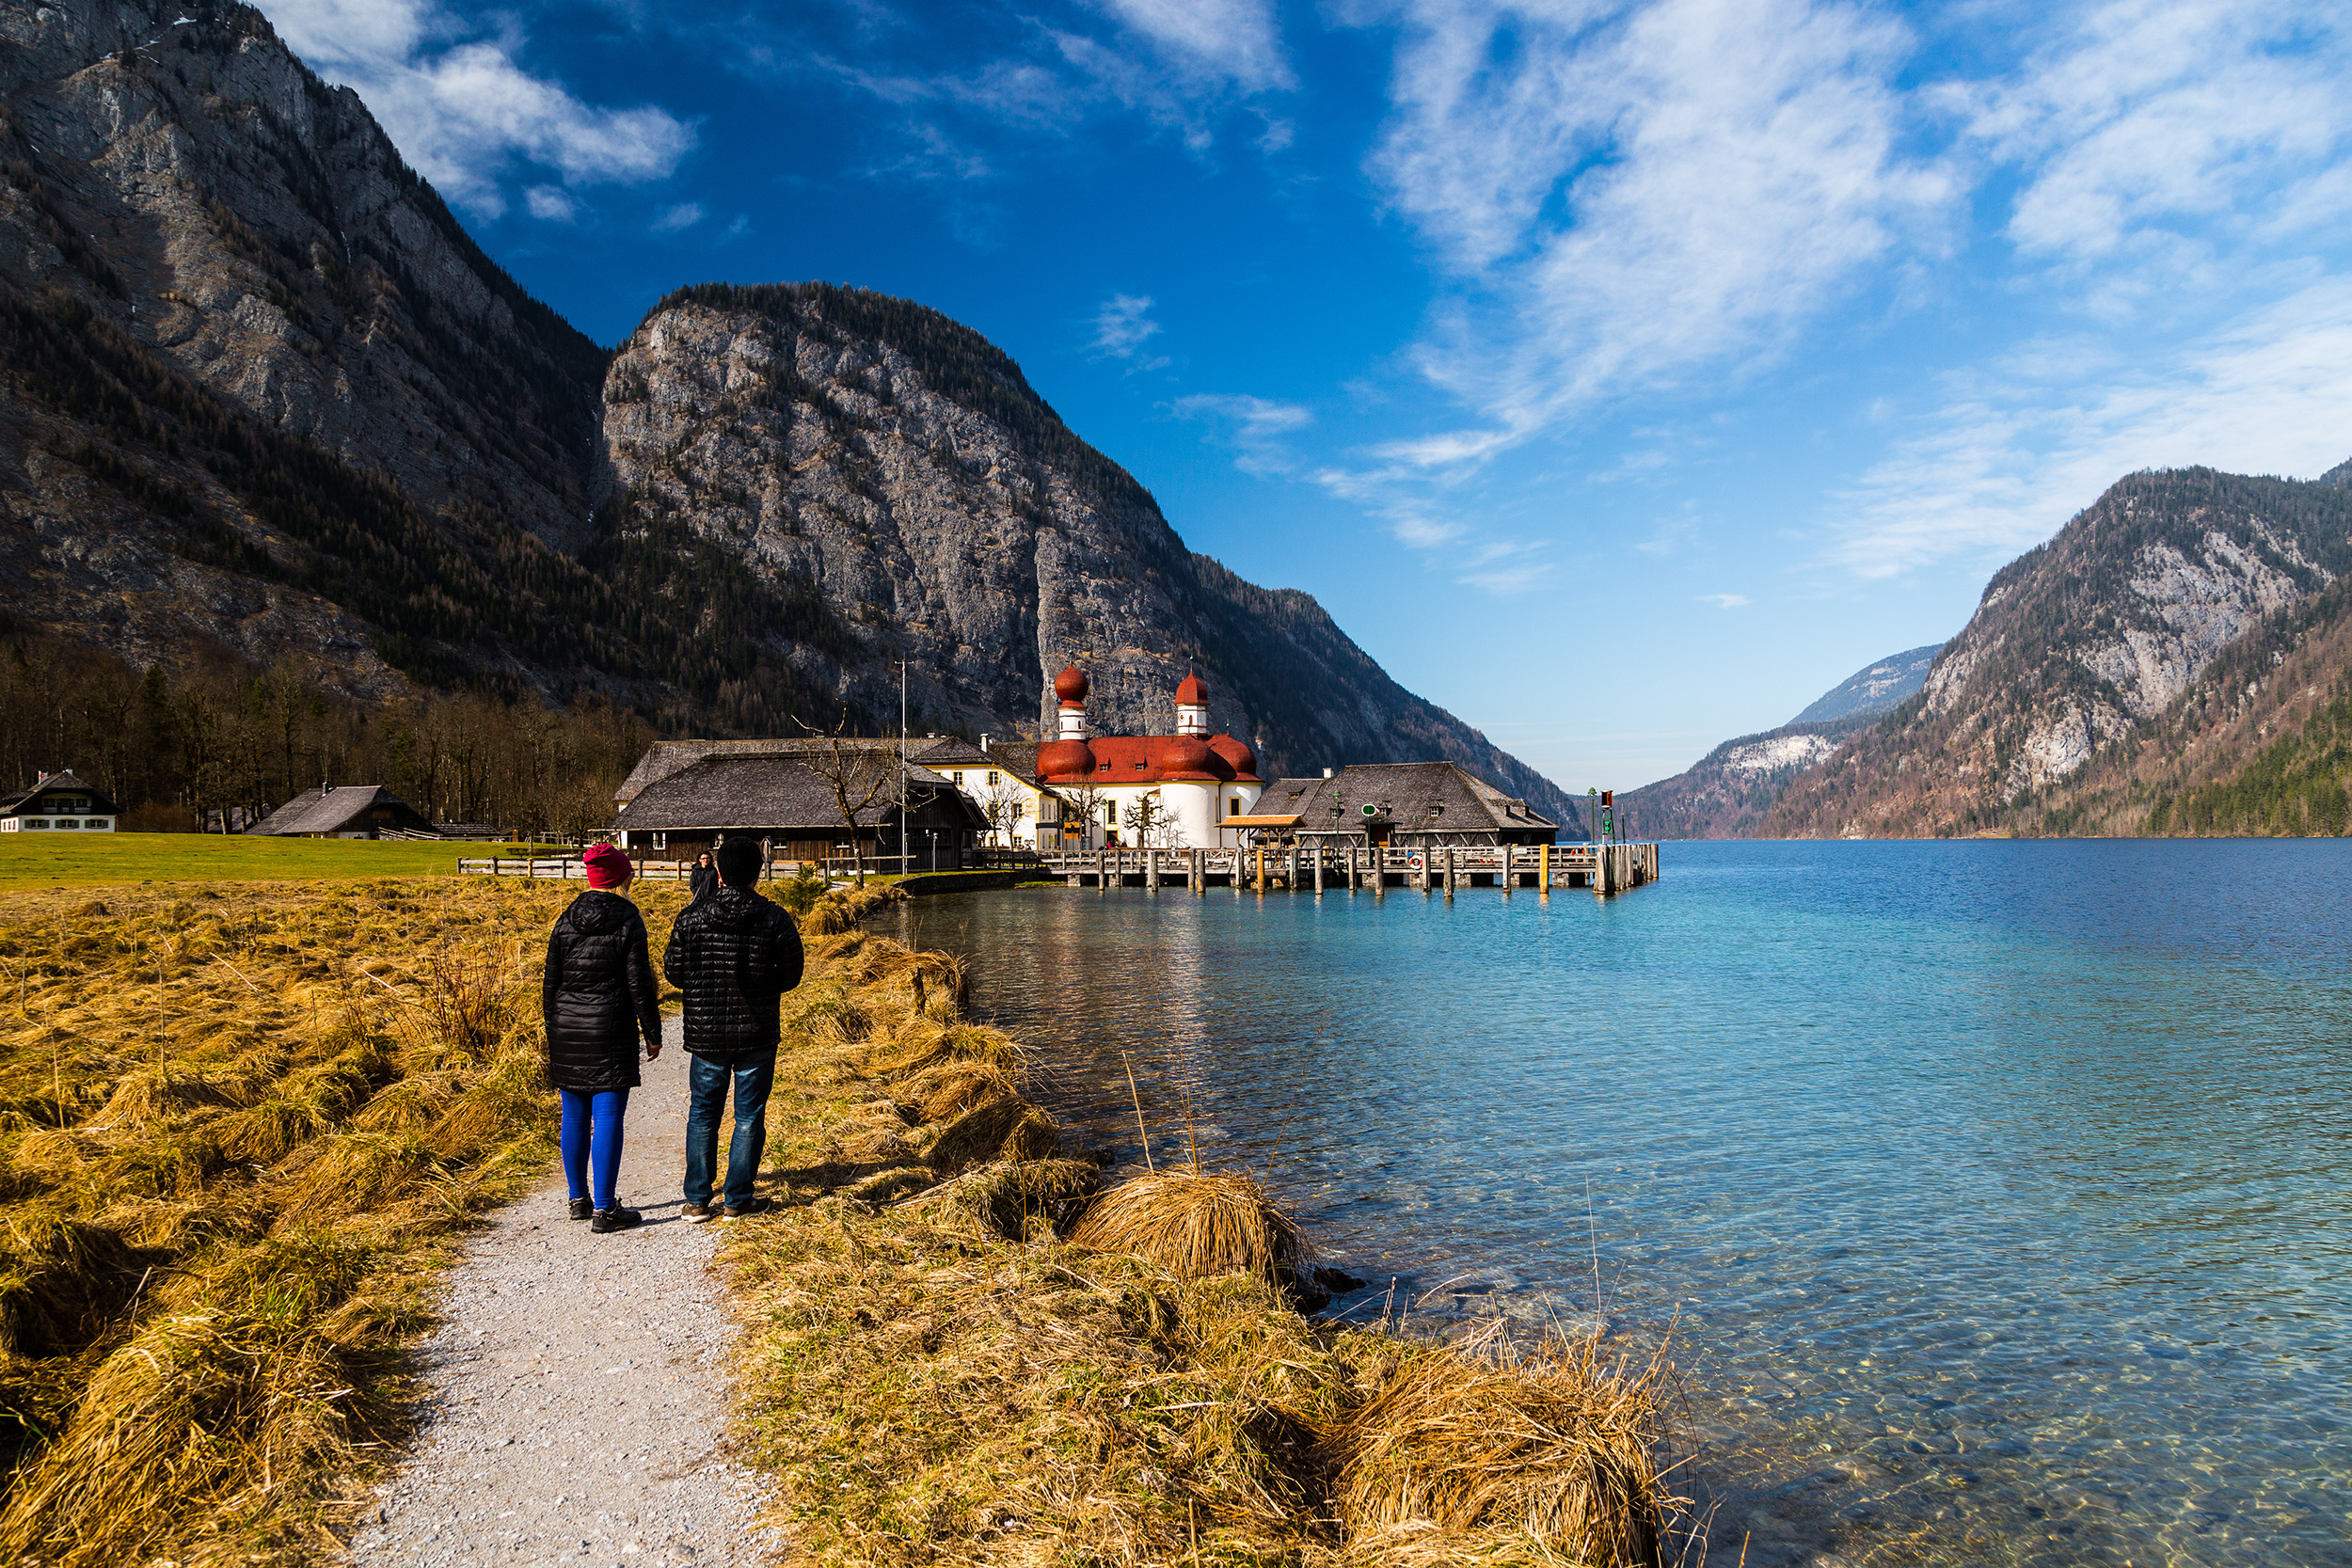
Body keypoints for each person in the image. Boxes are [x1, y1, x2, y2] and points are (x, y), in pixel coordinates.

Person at [663, 835, 803, 1221]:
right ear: (758, 873)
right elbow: (792, 974)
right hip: (756, 1030)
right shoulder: (774, 917)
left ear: (719, 871)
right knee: (748, 1115)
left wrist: (703, 983)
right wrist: (761, 985)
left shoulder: (691, 917)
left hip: (708, 1031)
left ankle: (696, 1199)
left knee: (703, 1113)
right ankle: (737, 1198)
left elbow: (674, 972)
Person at [542, 842, 662, 1233]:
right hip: (610, 1026)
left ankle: (579, 1200)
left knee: (573, 1114)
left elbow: (551, 981)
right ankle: (606, 1209)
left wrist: (553, 1029)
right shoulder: (628, 917)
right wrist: (652, 1031)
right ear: (621, 876)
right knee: (608, 1113)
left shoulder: (566, 917)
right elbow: (639, 982)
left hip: (566, 1025)